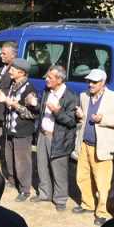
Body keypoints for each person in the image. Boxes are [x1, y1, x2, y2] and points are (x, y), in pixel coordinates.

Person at [73, 68, 114, 225]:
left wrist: (102, 119)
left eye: (94, 82)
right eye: (89, 81)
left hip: (102, 147)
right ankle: (87, 204)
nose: (90, 84)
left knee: (102, 182)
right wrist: (80, 116)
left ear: (103, 82)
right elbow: (81, 120)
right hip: (84, 144)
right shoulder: (83, 96)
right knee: (82, 177)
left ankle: (102, 212)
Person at [0, 58, 39, 201]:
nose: (10, 71)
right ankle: (12, 180)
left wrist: (10, 103)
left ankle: (25, 190)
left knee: (22, 161)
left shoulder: (29, 89)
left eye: (13, 69)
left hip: (22, 132)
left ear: (22, 72)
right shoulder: (13, 84)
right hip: (10, 130)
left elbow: (32, 114)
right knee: (9, 157)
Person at [34, 65, 78, 210]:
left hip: (58, 138)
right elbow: (41, 109)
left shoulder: (70, 97)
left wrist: (57, 112)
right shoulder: (47, 91)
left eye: (50, 77)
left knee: (59, 170)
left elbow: (71, 121)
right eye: (46, 77)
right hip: (43, 134)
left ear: (59, 80)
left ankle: (60, 199)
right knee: (42, 166)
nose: (46, 79)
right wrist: (34, 104)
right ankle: (44, 193)